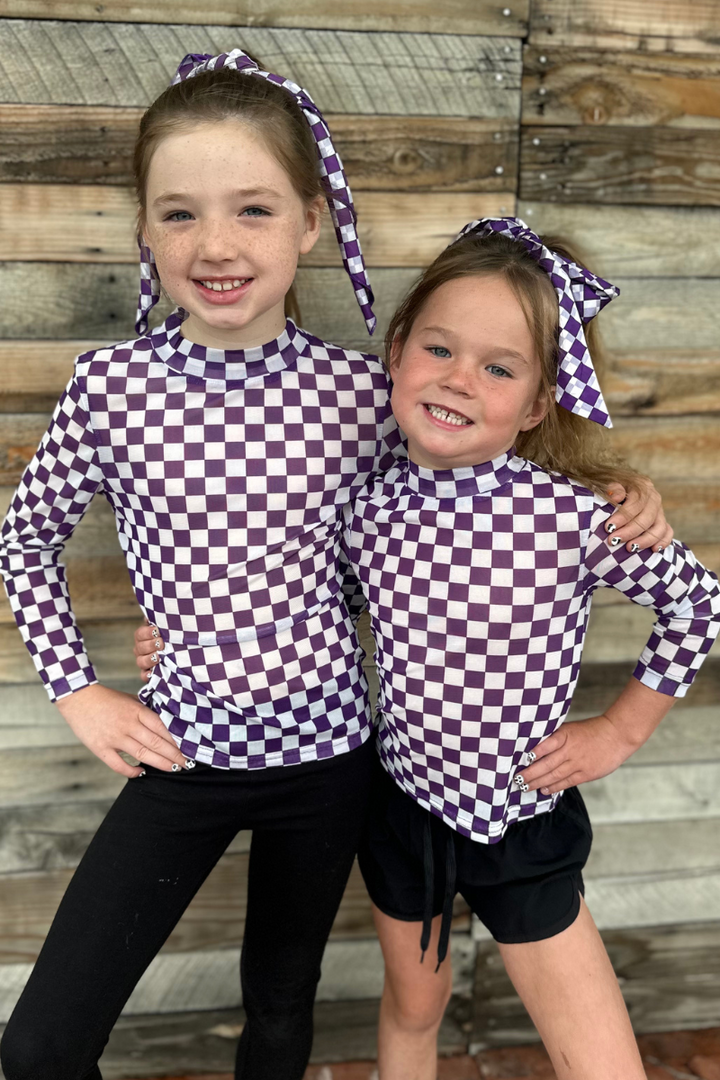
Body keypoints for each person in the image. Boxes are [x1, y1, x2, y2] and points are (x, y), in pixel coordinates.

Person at [1, 43, 668, 1079]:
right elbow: (24, 540)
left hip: (331, 762)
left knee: (281, 1007)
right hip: (184, 752)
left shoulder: (366, 393)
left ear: (311, 221)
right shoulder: (111, 390)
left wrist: (624, 492)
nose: (215, 243)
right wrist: (81, 691)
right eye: (178, 212)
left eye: (253, 209)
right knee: (42, 1047)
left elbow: (459, 499)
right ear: (144, 228)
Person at [338, 219, 718, 1080]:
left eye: (500, 368)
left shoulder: (576, 516)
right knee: (412, 1008)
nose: (459, 379)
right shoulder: (367, 510)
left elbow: (698, 606)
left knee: (600, 1061)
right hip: (403, 812)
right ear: (397, 352)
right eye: (439, 348)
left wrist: (619, 729)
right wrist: (185, 635)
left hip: (523, 821)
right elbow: (321, 609)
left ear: (540, 403)